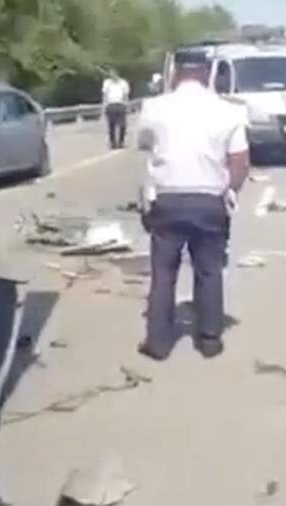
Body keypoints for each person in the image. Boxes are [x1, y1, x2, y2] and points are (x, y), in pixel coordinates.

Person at [136, 51, 250, 361]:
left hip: (167, 200)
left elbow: (144, 144)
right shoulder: (230, 111)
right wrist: (231, 190)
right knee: (209, 271)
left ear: (175, 72)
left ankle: (158, 343)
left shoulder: (154, 108)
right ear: (206, 73)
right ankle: (209, 340)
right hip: (209, 201)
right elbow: (240, 161)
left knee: (163, 273)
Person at [102, 69, 131, 149]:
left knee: (123, 125)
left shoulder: (123, 83)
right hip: (111, 105)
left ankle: (121, 141)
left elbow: (126, 96)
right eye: (111, 74)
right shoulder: (107, 83)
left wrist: (127, 106)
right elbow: (104, 96)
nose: (112, 76)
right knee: (111, 125)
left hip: (120, 104)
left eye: (113, 74)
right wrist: (104, 106)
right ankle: (113, 142)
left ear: (117, 74)